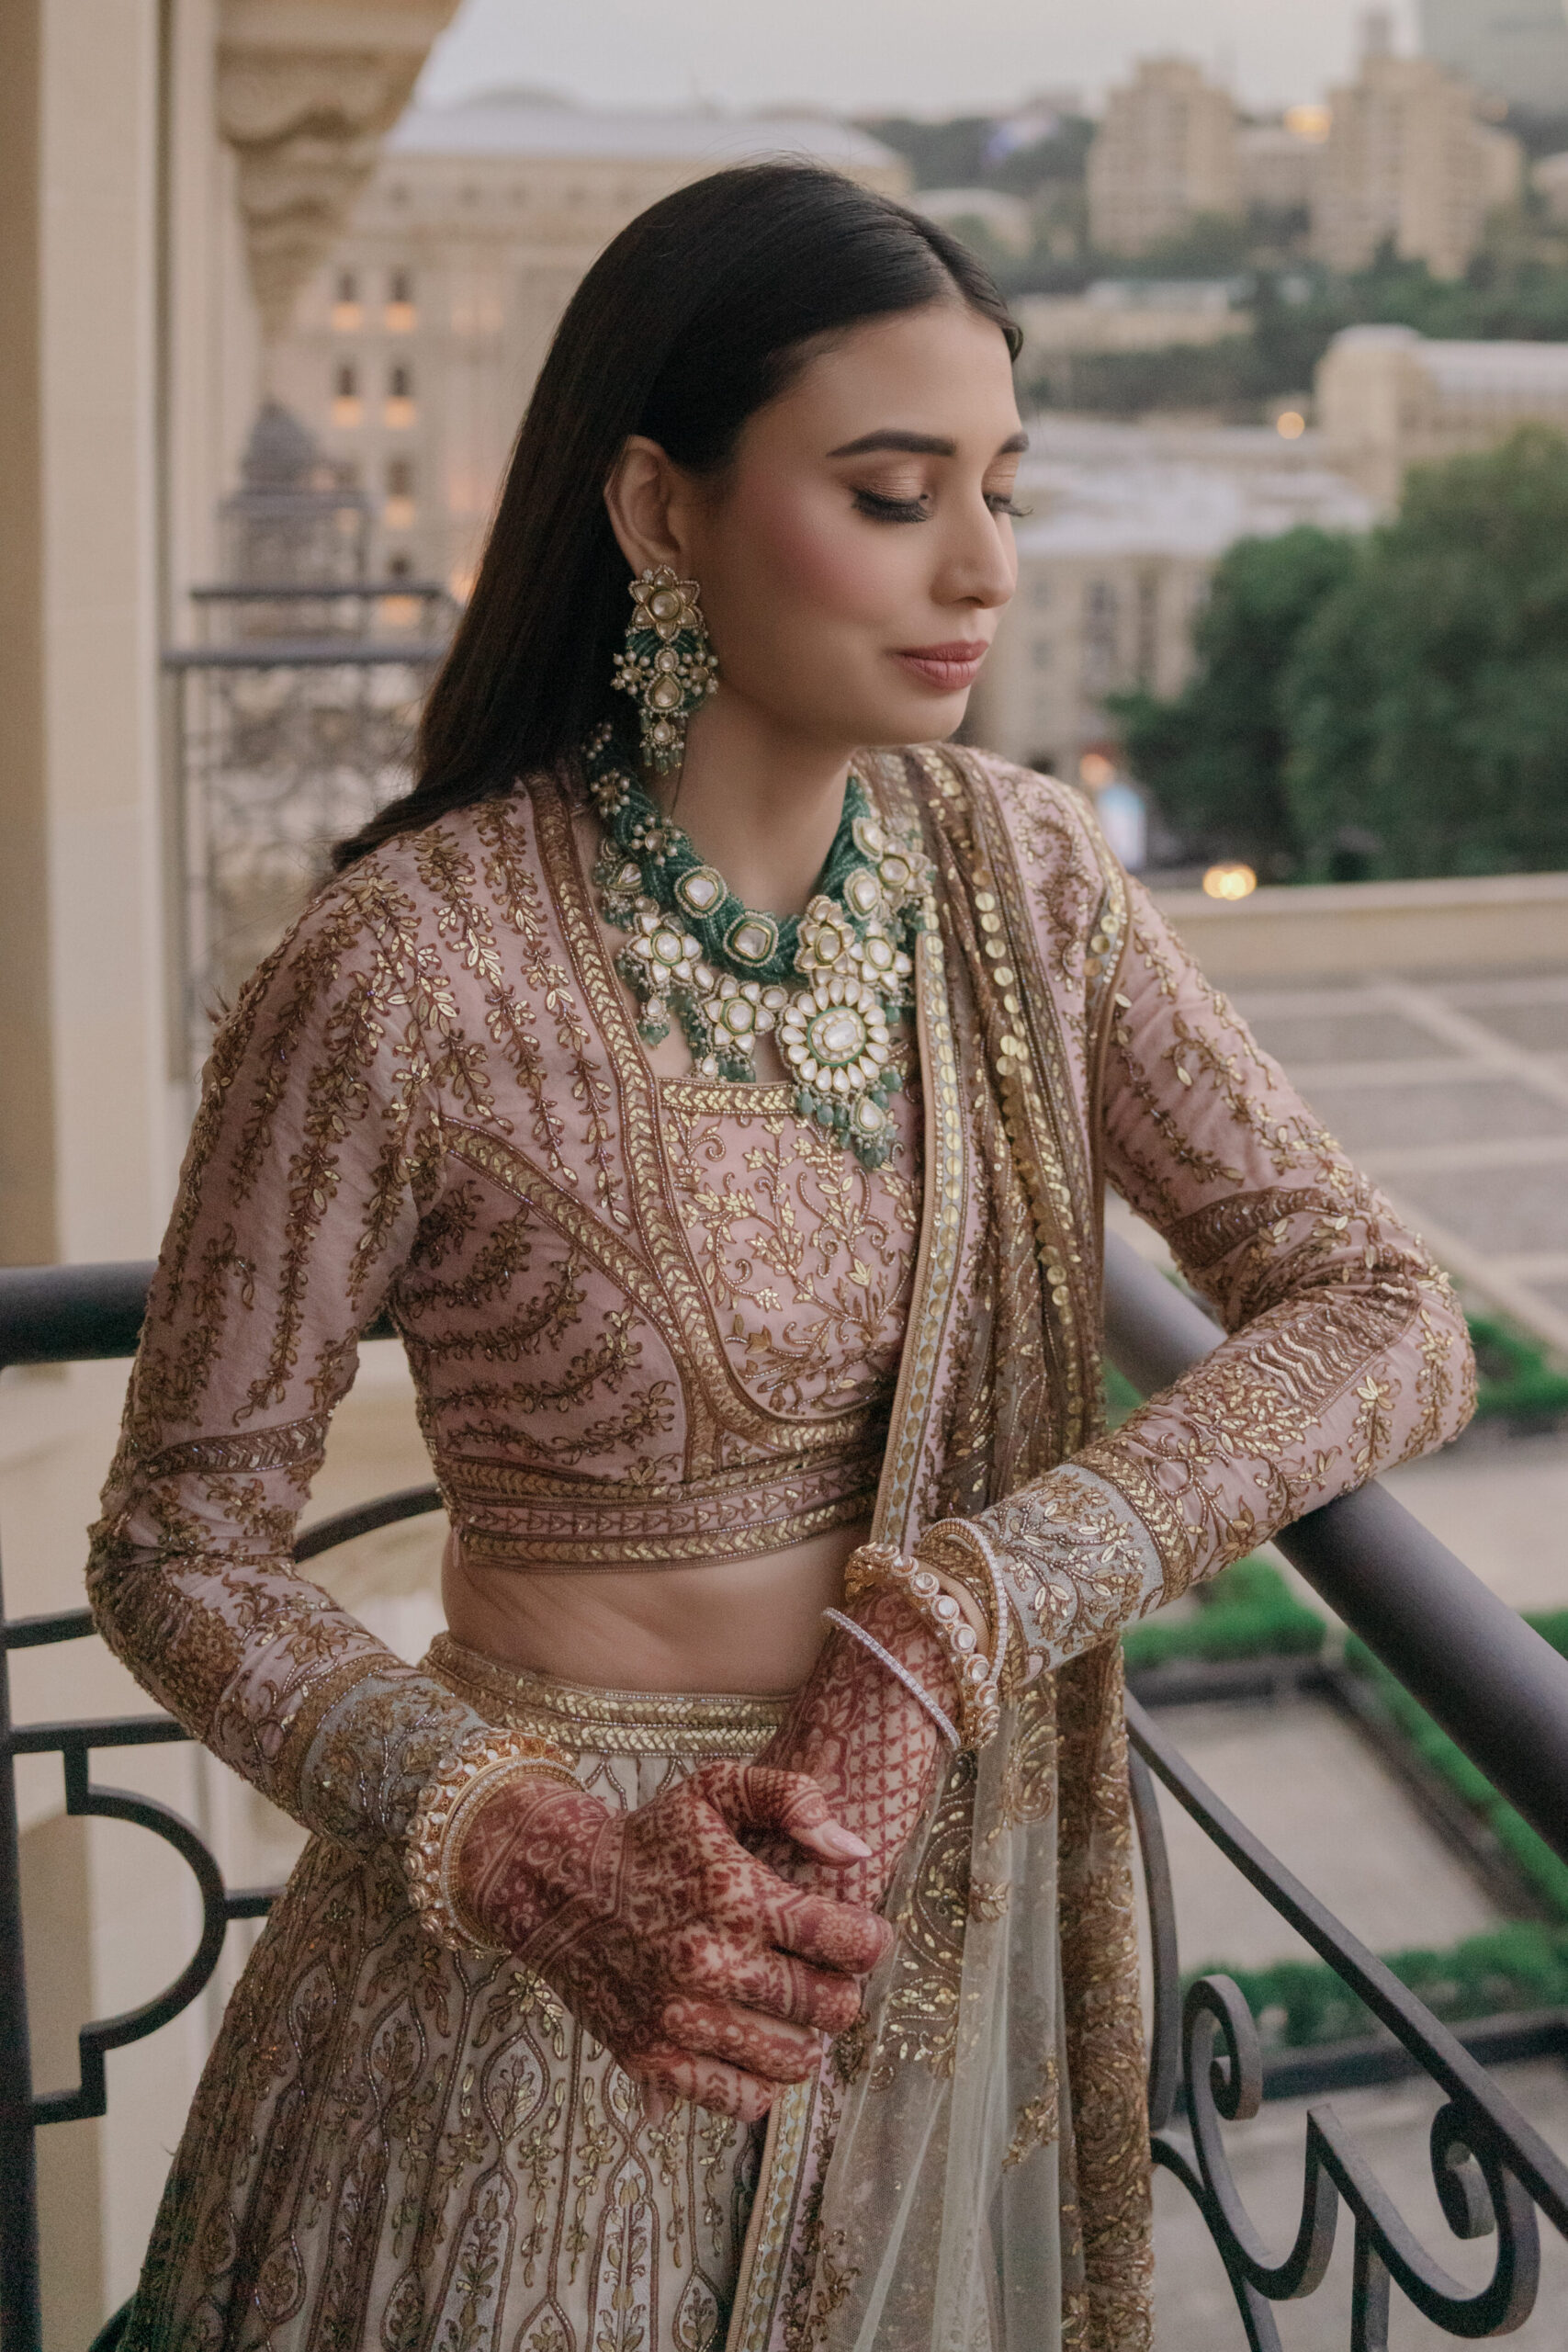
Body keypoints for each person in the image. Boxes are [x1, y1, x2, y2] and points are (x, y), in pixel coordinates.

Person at [88, 163, 1472, 2352]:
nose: (983, 570)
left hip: (931, 1940)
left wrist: (958, 1612)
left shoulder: (1017, 878)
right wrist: (535, 1854)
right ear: (659, 513)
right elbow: (179, 1543)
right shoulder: (407, 974)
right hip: (539, 1997)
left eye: (998, 490)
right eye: (892, 491)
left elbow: (1384, 1311)